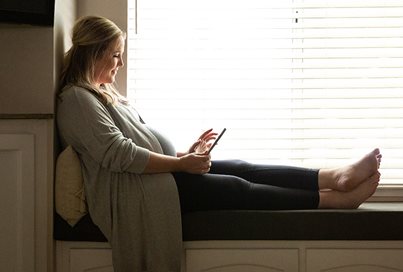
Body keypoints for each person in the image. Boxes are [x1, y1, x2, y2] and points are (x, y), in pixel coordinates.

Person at [57, 15, 382, 272]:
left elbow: (138, 145)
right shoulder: (76, 100)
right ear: (96, 53)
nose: (120, 64)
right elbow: (119, 154)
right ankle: (331, 201)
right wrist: (181, 164)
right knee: (235, 187)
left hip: (160, 174)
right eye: (115, 55)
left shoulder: (101, 95)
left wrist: (186, 154)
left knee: (242, 167)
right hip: (141, 190)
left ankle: (333, 177)